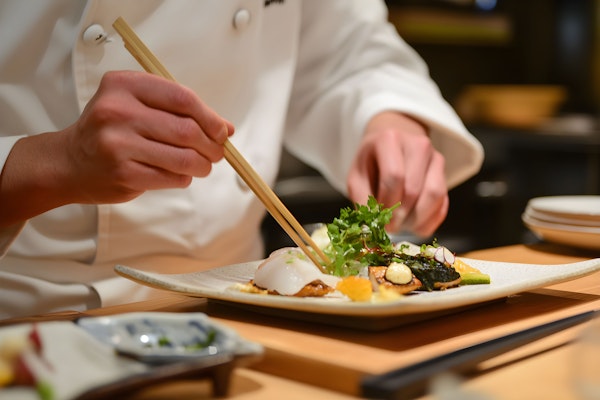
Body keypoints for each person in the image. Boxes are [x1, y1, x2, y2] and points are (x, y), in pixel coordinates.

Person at [0, 0, 484, 319]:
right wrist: (47, 162)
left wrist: (385, 115)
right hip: (25, 312)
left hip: (236, 307)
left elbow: (345, 46)